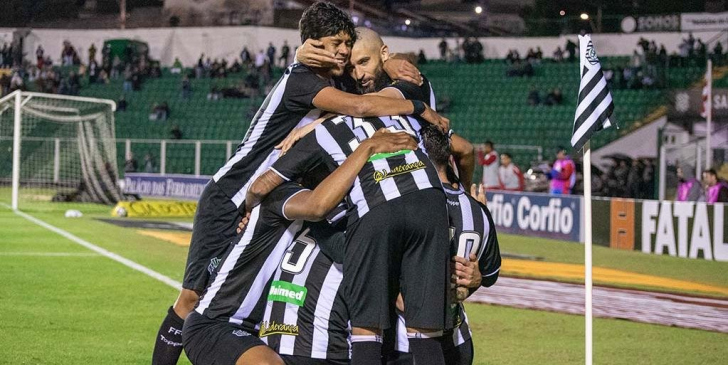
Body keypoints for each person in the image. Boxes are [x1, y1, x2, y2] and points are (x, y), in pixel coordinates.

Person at [151, 3, 448, 364]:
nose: (342, 51)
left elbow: (366, 71)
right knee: (194, 298)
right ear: (312, 45)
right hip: (233, 195)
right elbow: (358, 107)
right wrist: (417, 110)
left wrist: (388, 61)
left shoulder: (336, 77)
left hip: (276, 195)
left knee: (258, 292)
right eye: (334, 43)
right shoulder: (302, 78)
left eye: (345, 43)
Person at [183, 129, 417, 365]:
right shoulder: (282, 195)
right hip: (216, 323)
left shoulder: (318, 219)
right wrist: (366, 148)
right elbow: (317, 206)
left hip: (256, 333)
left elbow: (341, 247)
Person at [249, 113, 451, 365]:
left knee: (367, 330)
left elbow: (263, 186)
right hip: (432, 203)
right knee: (426, 332)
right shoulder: (396, 110)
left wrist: (247, 208)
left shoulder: (320, 135)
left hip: (375, 209)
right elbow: (459, 145)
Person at [389, 125, 501, 365]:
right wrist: (476, 279)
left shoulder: (403, 202)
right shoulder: (479, 211)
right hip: (457, 340)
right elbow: (490, 275)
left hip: (403, 343)